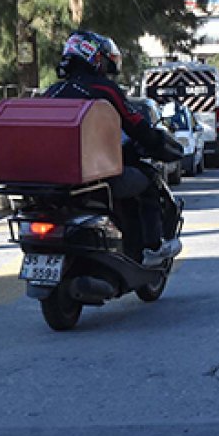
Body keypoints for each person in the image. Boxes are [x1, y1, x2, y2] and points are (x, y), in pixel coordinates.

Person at [42, 30, 181, 267]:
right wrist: (157, 143)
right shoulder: (105, 89)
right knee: (149, 181)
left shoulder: (51, 93)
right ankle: (152, 248)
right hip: (98, 177)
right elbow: (135, 124)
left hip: (54, 179)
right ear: (95, 58)